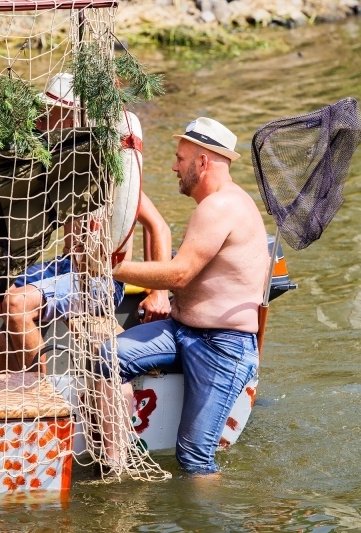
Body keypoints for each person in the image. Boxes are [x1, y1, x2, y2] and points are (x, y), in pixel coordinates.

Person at [0, 73, 171, 373]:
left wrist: (158, 292)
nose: (40, 119)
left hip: (102, 280)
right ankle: (14, 380)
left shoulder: (108, 172)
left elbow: (158, 226)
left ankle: (39, 398)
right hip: (64, 266)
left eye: (48, 113)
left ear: (73, 118)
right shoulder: (58, 162)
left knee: (16, 303)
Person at [99, 117, 270, 475]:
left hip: (223, 346)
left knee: (194, 459)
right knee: (107, 359)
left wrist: (111, 267)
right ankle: (117, 465)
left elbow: (180, 273)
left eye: (180, 158)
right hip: (181, 331)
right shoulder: (213, 205)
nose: (174, 167)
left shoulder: (221, 206)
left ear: (203, 162)